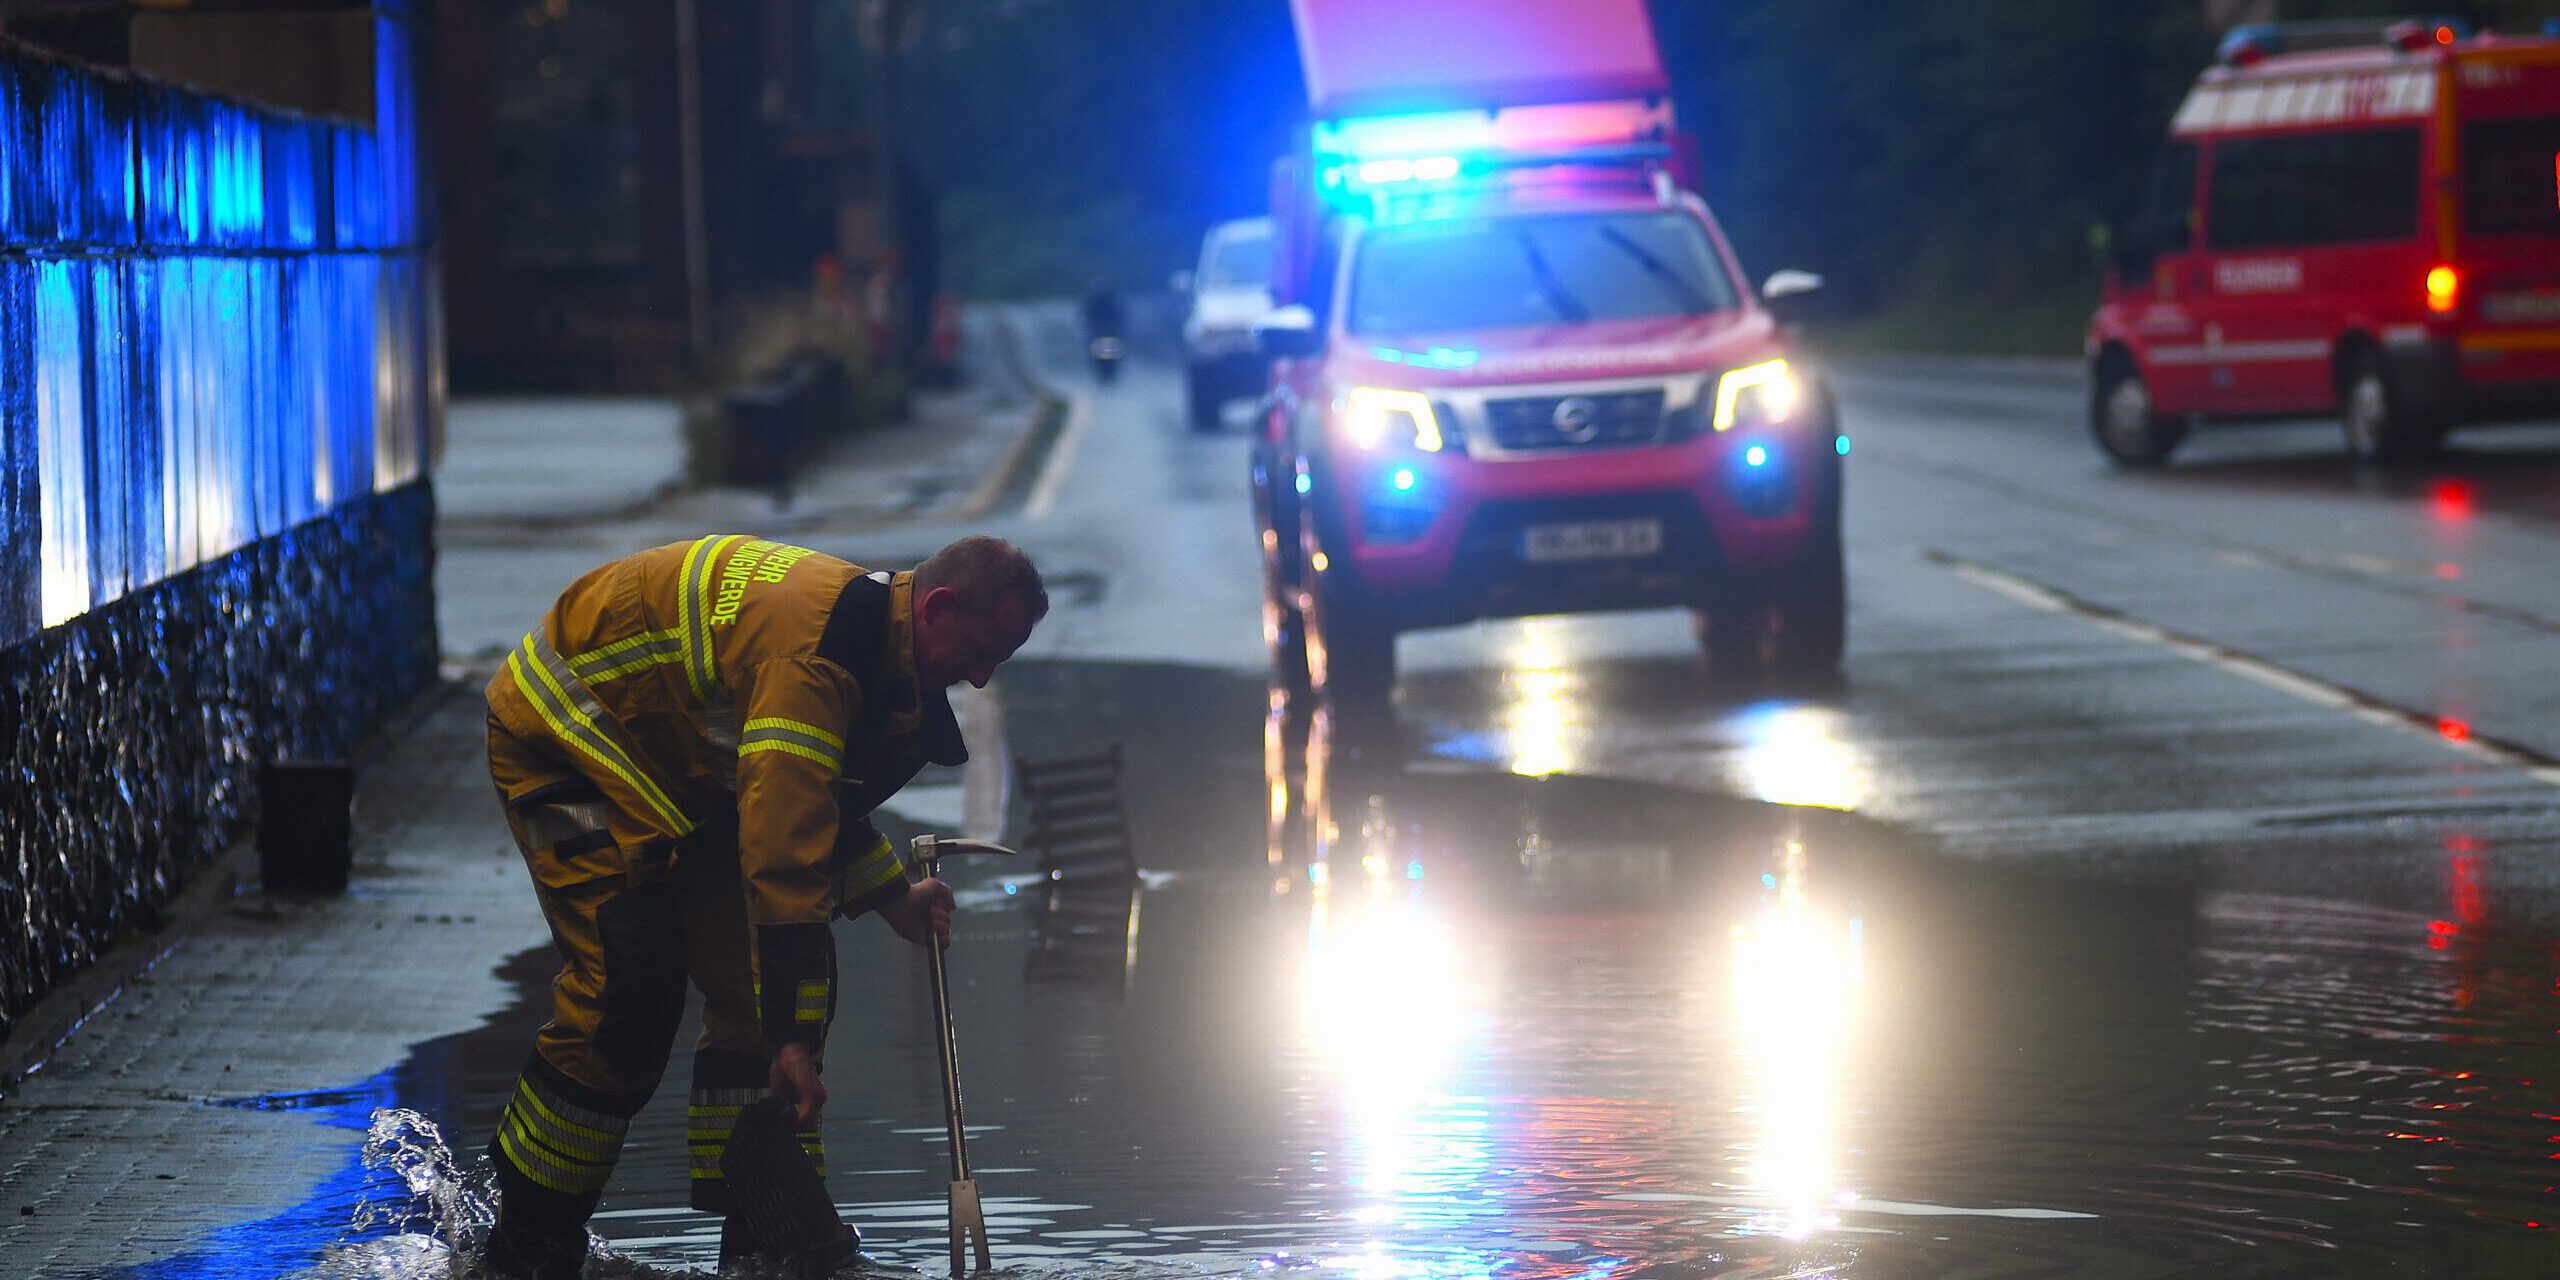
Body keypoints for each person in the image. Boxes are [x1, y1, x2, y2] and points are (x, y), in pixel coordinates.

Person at [478, 533, 1048, 1279]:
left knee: (778, 989)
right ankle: (528, 1245)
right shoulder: (817, 660)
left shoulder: (872, 648)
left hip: (679, 773)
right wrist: (789, 1040)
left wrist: (893, 900)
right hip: (568, 736)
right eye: (982, 652)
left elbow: (813, 800)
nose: (979, 679)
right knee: (632, 986)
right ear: (937, 608)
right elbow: (782, 848)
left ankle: (761, 1247)